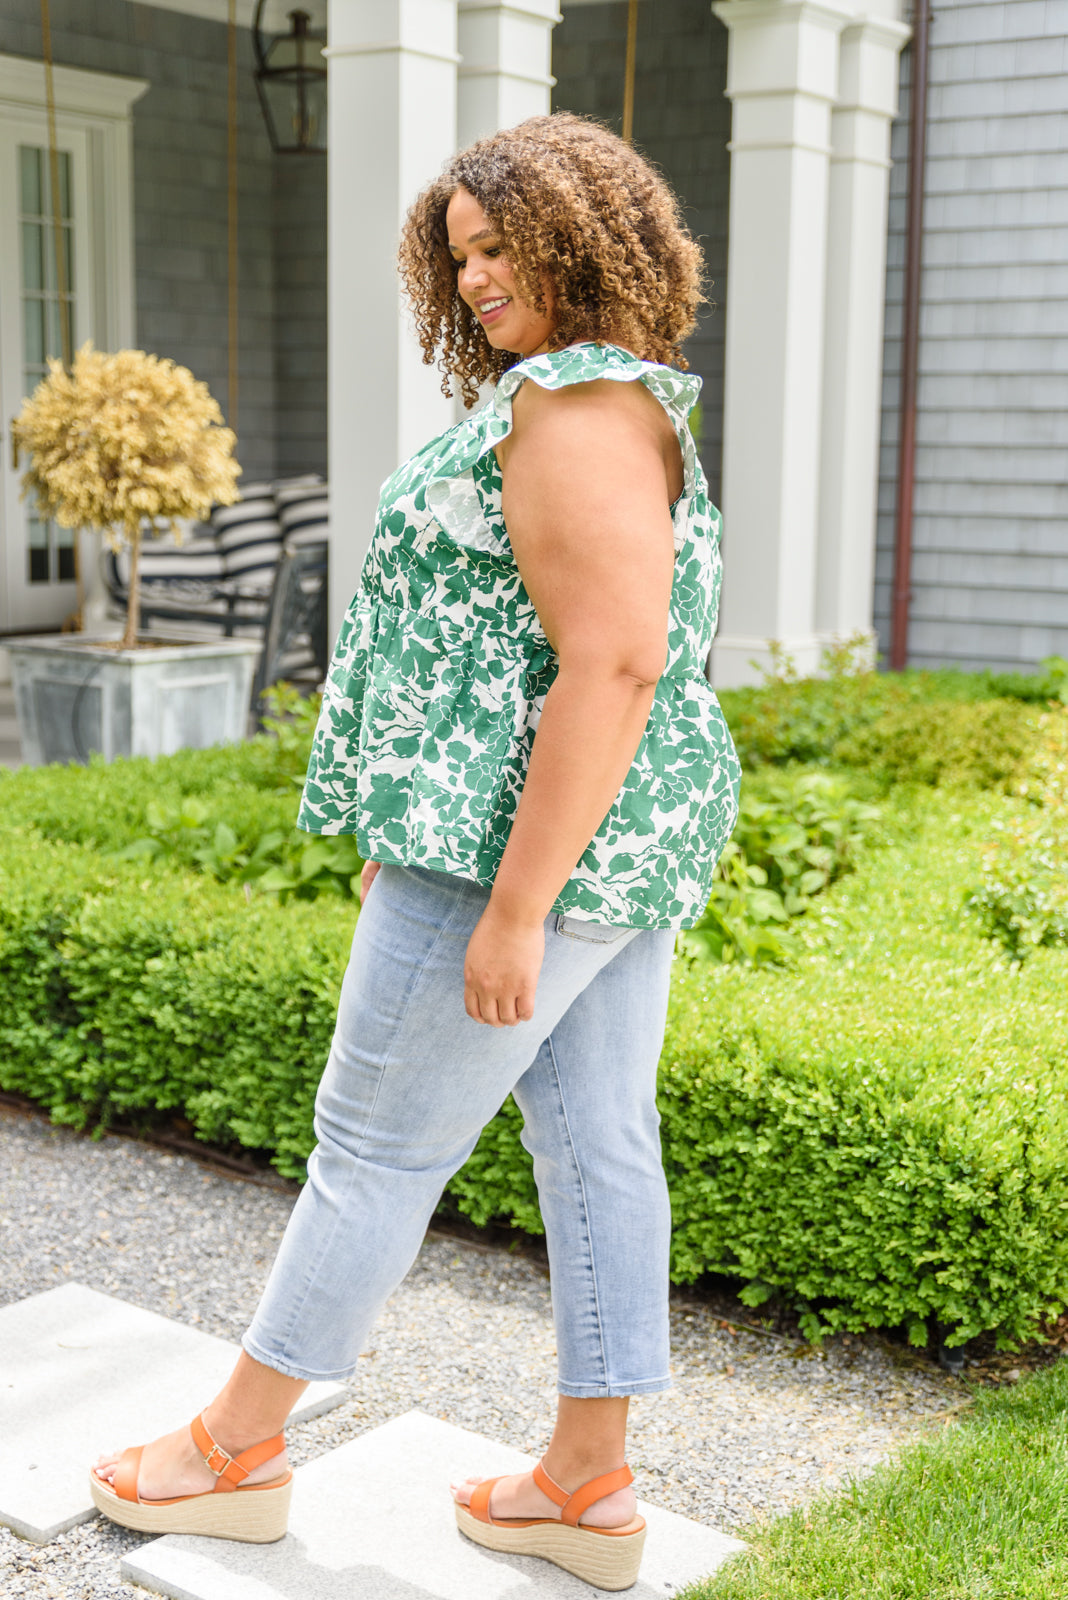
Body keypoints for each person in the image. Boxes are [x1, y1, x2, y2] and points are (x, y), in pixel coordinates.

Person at [90, 112, 740, 1591]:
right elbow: (504, 652)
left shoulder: (572, 409)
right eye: (461, 256)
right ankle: (586, 1479)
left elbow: (614, 665)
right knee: (596, 1147)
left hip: (523, 857)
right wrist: (413, 830)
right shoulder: (599, 400)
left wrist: (510, 909)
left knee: (374, 1145)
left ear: (588, 236)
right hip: (595, 850)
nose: (480, 276)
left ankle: (235, 1451)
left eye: (506, 244)